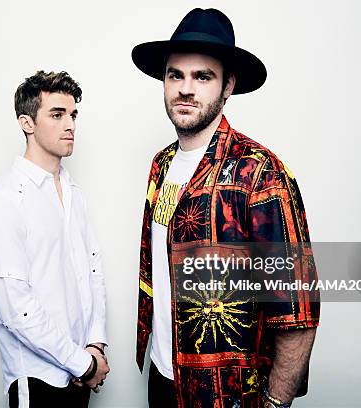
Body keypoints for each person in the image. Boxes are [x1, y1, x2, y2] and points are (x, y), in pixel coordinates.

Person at [131, 9, 320, 408]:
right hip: (163, 379)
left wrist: (275, 402)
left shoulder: (260, 173)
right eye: (175, 75)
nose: (186, 89)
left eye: (203, 77)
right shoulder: (161, 165)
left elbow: (298, 308)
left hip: (225, 394)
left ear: (228, 85)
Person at [0, 70, 109, 408]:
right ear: (27, 123)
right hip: (38, 381)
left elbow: (92, 271)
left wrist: (95, 344)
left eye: (73, 114)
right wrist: (84, 364)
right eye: (57, 114)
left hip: (80, 372)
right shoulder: (4, 200)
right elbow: (15, 308)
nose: (71, 125)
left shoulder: (73, 191)